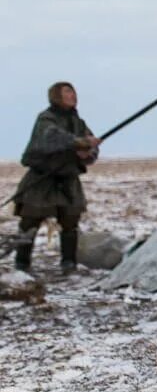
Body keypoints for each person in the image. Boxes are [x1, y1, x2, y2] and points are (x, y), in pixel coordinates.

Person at [11, 82, 100, 273]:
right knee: (29, 222)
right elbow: (52, 138)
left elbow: (91, 145)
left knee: (70, 223)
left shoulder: (79, 122)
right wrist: (80, 143)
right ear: (56, 96)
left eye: (74, 91)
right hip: (42, 179)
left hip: (68, 179)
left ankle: (69, 263)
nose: (73, 95)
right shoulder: (45, 119)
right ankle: (22, 263)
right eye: (67, 92)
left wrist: (88, 153)